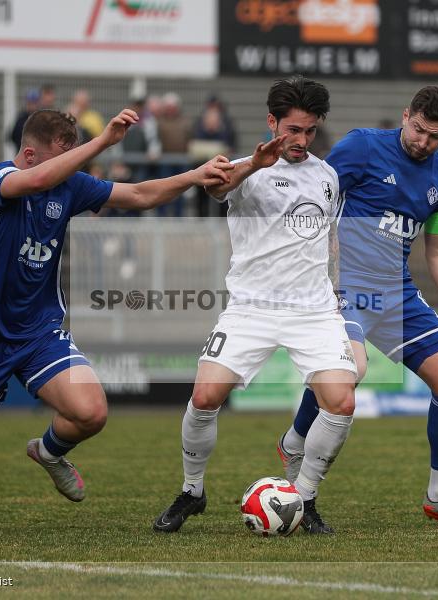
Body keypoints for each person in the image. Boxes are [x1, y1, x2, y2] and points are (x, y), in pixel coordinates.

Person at [0, 108, 232, 534]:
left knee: (91, 412)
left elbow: (141, 195)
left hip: (37, 332)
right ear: (33, 154)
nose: (71, 162)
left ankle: (50, 452)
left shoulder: (68, 185)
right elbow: (35, 181)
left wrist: (194, 175)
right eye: (65, 152)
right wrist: (104, 143)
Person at [279, 86, 438, 527]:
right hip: (345, 285)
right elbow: (314, 201)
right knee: (350, 372)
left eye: (434, 136)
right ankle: (299, 459)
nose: (422, 142)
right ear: (405, 115)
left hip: (396, 292)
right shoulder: (361, 147)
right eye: (417, 129)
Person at [153, 76, 357, 535]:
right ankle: (192, 491)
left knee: (341, 402)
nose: (301, 140)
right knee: (204, 397)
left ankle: (303, 497)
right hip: (251, 306)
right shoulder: (242, 168)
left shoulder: (328, 177)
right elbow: (215, 191)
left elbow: (331, 242)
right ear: (272, 123)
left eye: (309, 131)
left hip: (313, 309)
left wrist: (337, 294)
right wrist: (253, 166)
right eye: (292, 130)